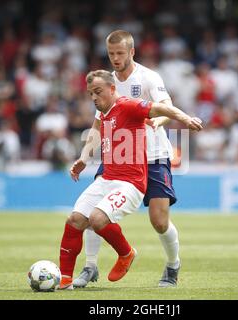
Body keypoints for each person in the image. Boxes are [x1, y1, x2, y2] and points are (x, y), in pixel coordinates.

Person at [59, 70, 202, 289]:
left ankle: (129, 254)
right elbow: (95, 132)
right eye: (90, 94)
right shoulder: (104, 113)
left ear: (112, 89)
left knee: (104, 219)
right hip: (108, 177)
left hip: (130, 182)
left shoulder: (128, 104)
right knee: (75, 220)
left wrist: (185, 119)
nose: (94, 98)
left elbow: (162, 106)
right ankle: (66, 280)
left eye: (97, 92)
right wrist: (84, 158)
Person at [72, 30, 184, 288]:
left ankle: (173, 264)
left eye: (120, 53)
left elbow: (167, 104)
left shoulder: (148, 77)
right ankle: (90, 266)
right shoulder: (106, 82)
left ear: (132, 52)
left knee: (159, 220)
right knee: (91, 211)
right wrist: (84, 155)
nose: (115, 58)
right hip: (118, 157)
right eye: (111, 54)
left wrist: (159, 120)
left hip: (153, 156)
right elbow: (98, 123)